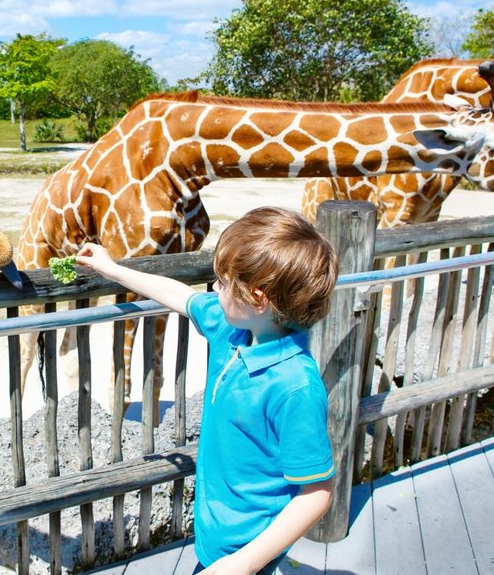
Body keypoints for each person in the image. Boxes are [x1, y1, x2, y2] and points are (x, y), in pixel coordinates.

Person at [76, 206, 338, 575]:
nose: (214, 288)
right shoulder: (232, 330)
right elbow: (179, 295)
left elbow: (317, 493)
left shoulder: (295, 387)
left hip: (246, 552)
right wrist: (112, 268)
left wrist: (244, 563)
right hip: (215, 539)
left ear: (257, 298)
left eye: (223, 283)